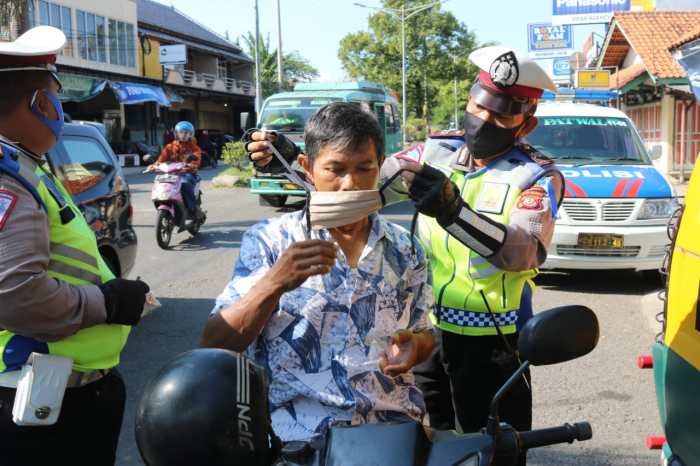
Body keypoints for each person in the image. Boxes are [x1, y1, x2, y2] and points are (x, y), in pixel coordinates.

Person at [202, 102, 435, 442]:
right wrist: (274, 283)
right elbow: (214, 343)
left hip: (393, 432)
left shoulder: (406, 248)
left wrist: (416, 346)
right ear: (307, 169)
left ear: (380, 167)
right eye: (335, 170)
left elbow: (422, 333)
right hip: (298, 437)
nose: (350, 184)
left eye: (364, 168)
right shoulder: (270, 241)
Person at [382, 46, 565, 465]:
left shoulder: (537, 176)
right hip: (424, 335)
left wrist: (454, 212)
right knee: (422, 444)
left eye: (502, 115)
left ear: (526, 124)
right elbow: (361, 185)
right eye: (479, 106)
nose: (484, 120)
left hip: (495, 346)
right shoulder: (431, 154)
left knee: (493, 454)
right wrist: (290, 159)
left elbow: (522, 251)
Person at [0, 26, 150, 465]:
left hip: (57, 392)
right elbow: (14, 292)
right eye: (55, 96)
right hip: (32, 402)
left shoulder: (26, 168)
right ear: (39, 103)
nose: (59, 109)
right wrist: (107, 302)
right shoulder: (8, 181)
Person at [154, 120, 202, 217]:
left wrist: (192, 164)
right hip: (172, 173)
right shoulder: (169, 147)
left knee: (184, 184)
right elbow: (161, 159)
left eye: (186, 133)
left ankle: (193, 209)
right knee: (159, 183)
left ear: (191, 134)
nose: (183, 135)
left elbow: (197, 159)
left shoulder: (194, 147)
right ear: (176, 133)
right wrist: (155, 165)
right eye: (181, 132)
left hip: (188, 173)